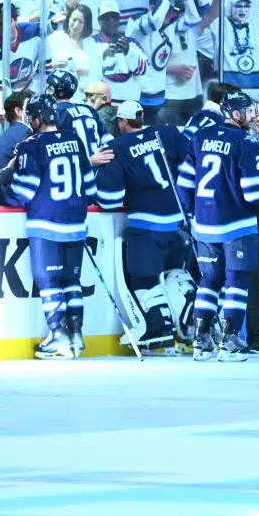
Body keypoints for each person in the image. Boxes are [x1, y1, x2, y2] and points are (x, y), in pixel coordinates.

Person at [0, 95, 105, 359]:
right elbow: (90, 186)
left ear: (36, 118)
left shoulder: (31, 145)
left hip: (46, 223)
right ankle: (76, 336)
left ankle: (59, 336)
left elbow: (24, 191)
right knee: (71, 280)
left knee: (48, 281)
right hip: (76, 223)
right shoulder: (75, 140)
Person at [97, 100, 194, 353]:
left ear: (122, 121)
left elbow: (108, 199)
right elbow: (191, 171)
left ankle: (160, 332)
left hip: (146, 228)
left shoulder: (116, 147)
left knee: (145, 280)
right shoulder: (168, 133)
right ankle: (191, 324)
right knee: (175, 274)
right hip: (179, 225)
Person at [178, 90, 259, 361]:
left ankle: (201, 340)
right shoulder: (248, 142)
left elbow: (184, 183)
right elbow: (254, 192)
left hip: (204, 225)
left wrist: (191, 215)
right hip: (237, 225)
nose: (254, 117)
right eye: (250, 112)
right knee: (237, 281)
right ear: (236, 114)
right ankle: (229, 340)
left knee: (209, 280)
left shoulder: (199, 137)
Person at [47, 69, 112, 159]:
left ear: (52, 90)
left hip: (76, 164)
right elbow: (108, 140)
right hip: (99, 162)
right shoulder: (88, 109)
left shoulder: (54, 112)